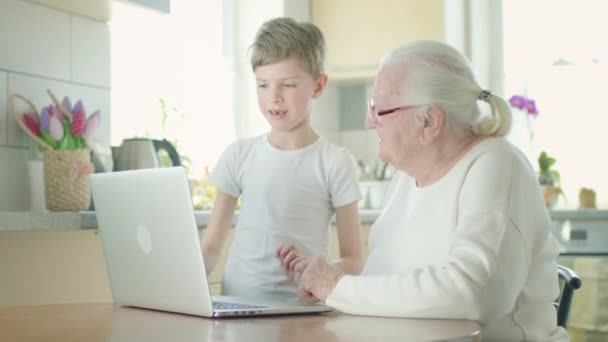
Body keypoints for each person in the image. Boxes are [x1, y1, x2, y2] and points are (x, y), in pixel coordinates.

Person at [278, 40, 568, 341]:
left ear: (430, 121)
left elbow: (472, 294)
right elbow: (390, 287)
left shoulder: (494, 163)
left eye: (379, 110)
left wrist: (337, 287)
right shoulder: (406, 176)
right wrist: (321, 281)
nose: (368, 122)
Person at [201, 17, 363, 299]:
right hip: (235, 307)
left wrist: (315, 271)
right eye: (263, 85)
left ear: (318, 86)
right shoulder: (238, 155)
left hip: (300, 314)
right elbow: (211, 246)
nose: (273, 97)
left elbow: (354, 260)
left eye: (287, 85)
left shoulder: (335, 162)